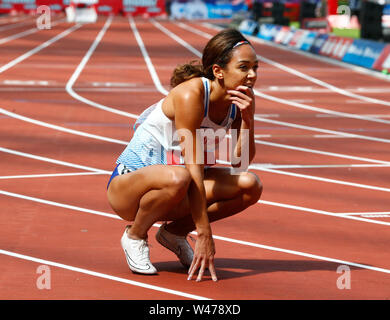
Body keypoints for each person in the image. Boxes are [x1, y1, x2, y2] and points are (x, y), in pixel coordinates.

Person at [106, 28, 262, 282]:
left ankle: (174, 234)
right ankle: (135, 235)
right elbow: (192, 168)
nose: (252, 75)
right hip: (129, 188)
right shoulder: (192, 95)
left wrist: (248, 121)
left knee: (250, 186)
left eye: (256, 67)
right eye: (244, 67)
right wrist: (204, 233)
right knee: (179, 176)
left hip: (180, 185)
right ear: (218, 71)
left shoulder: (238, 103)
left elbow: (239, 164)